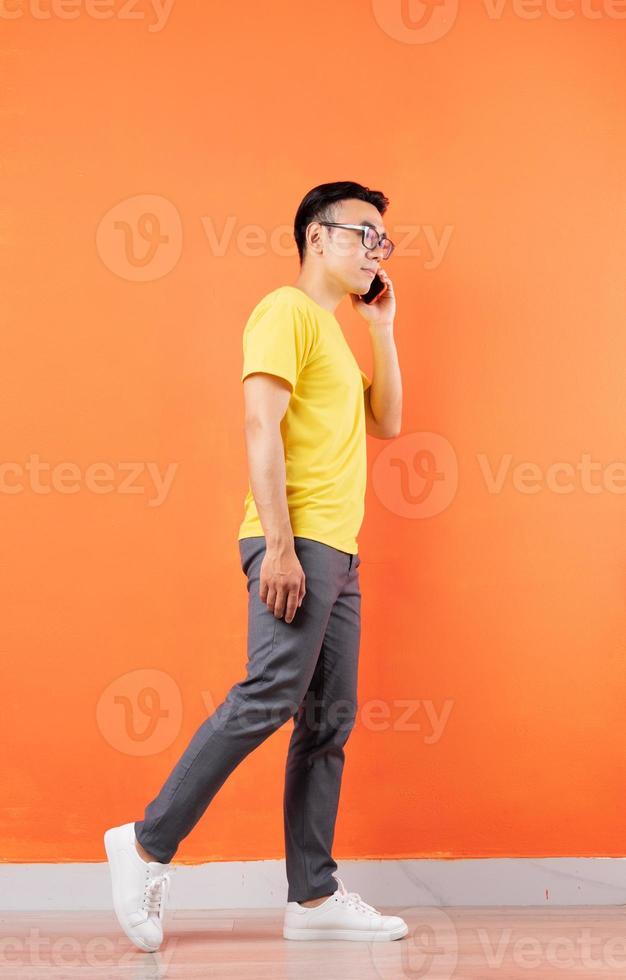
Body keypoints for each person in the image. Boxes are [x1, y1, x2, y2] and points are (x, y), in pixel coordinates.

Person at [103, 180, 405, 951]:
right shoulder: (285, 311)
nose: (376, 250)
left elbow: (390, 422)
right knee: (271, 693)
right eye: (363, 235)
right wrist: (277, 544)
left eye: (383, 242)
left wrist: (383, 328)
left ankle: (313, 898)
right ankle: (143, 843)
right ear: (316, 237)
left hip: (341, 552)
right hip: (295, 540)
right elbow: (257, 423)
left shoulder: (336, 333)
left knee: (327, 720)